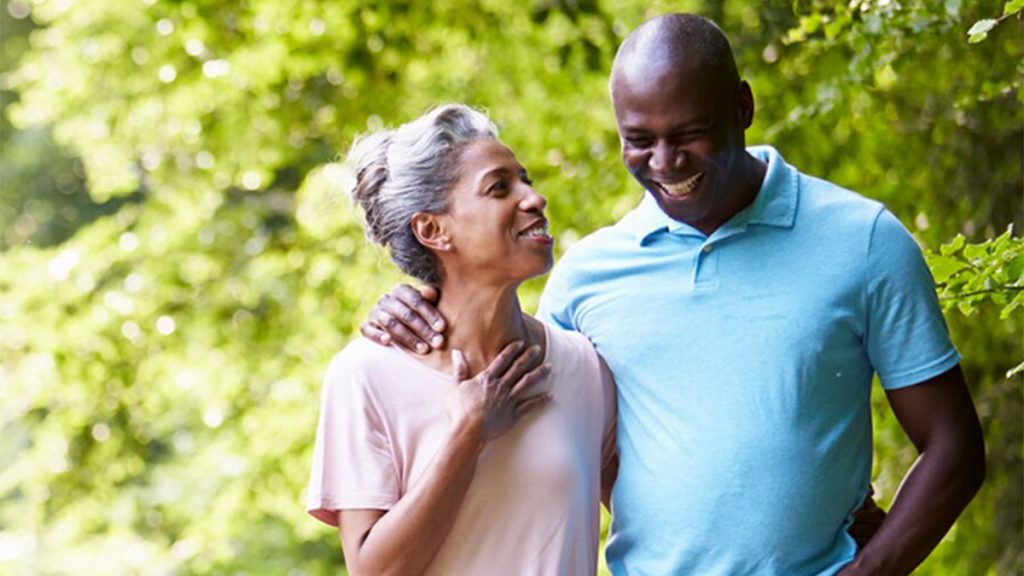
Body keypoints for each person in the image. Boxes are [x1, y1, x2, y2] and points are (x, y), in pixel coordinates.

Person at [358, 13, 985, 576]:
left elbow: (954, 448)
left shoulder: (863, 240)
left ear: (742, 107)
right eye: (639, 139)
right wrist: (417, 296)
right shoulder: (587, 276)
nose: (665, 161)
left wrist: (871, 568)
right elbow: (566, 437)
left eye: (689, 133)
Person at [306, 104, 616, 576]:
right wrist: (468, 432)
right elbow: (374, 571)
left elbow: (653, 520)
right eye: (499, 188)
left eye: (525, 180)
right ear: (433, 229)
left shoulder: (583, 366)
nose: (534, 198)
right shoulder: (365, 375)